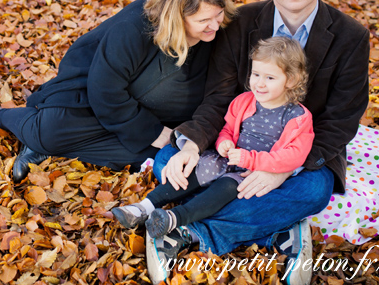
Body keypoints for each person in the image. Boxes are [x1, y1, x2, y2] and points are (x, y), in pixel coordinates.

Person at [147, 0, 370, 285]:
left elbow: (342, 119)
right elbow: (218, 98)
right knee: (168, 162)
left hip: (300, 152)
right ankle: (279, 232)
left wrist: (285, 169)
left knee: (314, 191)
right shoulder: (241, 24)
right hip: (235, 146)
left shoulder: (351, 36)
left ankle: (184, 232)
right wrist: (191, 146)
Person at [0, 0, 236, 182]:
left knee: (150, 157)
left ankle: (47, 145)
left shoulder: (215, 36)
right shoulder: (134, 28)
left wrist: (166, 134)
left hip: (148, 117)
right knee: (49, 131)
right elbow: (105, 91)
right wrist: (152, 131)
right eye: (203, 20)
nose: (214, 25)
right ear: (176, 16)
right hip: (88, 99)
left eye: (218, 15)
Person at [112, 37, 314, 244]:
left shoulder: (297, 117)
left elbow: (293, 156)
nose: (259, 83)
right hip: (227, 159)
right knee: (192, 171)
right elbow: (227, 129)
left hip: (251, 172)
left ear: (291, 80)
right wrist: (223, 143)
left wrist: (250, 160)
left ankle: (175, 218)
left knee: (225, 189)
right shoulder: (244, 101)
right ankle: (144, 206)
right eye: (256, 74)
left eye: (270, 78)